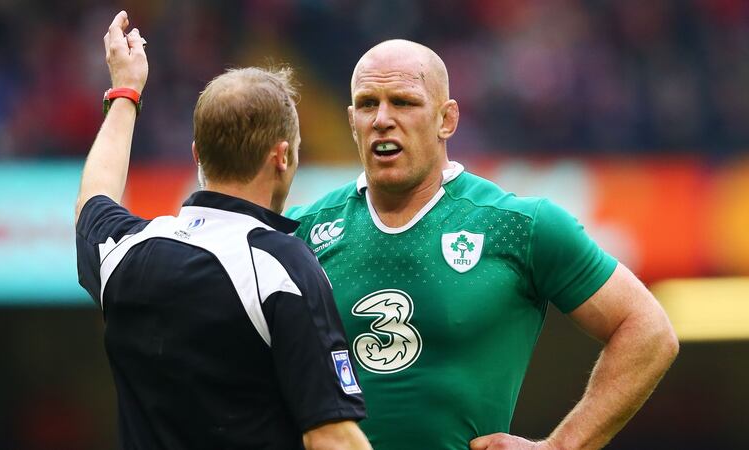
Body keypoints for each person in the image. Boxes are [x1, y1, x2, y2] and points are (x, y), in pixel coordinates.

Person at [286, 39, 679, 450]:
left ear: (447, 119)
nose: (383, 119)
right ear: (352, 120)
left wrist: (562, 446)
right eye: (368, 104)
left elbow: (649, 330)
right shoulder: (300, 231)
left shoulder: (518, 227)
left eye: (403, 102)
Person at [74, 11, 371, 450]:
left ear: (198, 154)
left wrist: (126, 91)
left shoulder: (128, 253)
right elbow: (333, 439)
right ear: (282, 156)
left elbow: (92, 202)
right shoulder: (280, 266)